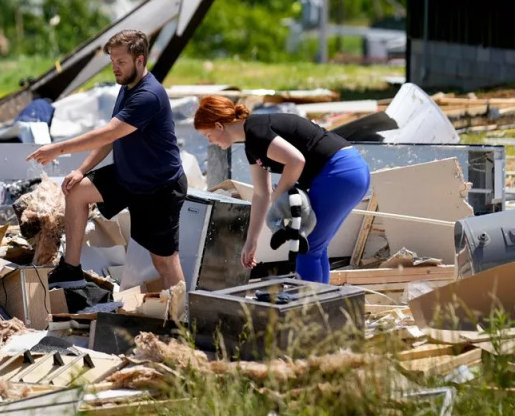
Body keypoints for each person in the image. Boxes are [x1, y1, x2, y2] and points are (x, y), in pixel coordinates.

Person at [27, 30, 187, 290]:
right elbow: (112, 138)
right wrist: (81, 170)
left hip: (159, 188)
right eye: (112, 61)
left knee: (164, 262)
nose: (115, 67)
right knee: (76, 190)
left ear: (140, 60)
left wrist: (58, 149)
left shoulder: (148, 95)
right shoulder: (127, 87)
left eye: (121, 62)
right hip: (129, 177)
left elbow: (108, 133)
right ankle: (71, 269)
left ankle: (182, 313)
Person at [193, 95, 370, 283]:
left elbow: (295, 161)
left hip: (339, 172)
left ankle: (308, 300)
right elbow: (261, 194)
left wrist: (278, 196)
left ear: (219, 126)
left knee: (307, 247)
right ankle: (320, 299)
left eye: (208, 135)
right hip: (350, 171)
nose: (210, 141)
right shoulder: (251, 143)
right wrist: (251, 240)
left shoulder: (256, 131)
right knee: (316, 246)